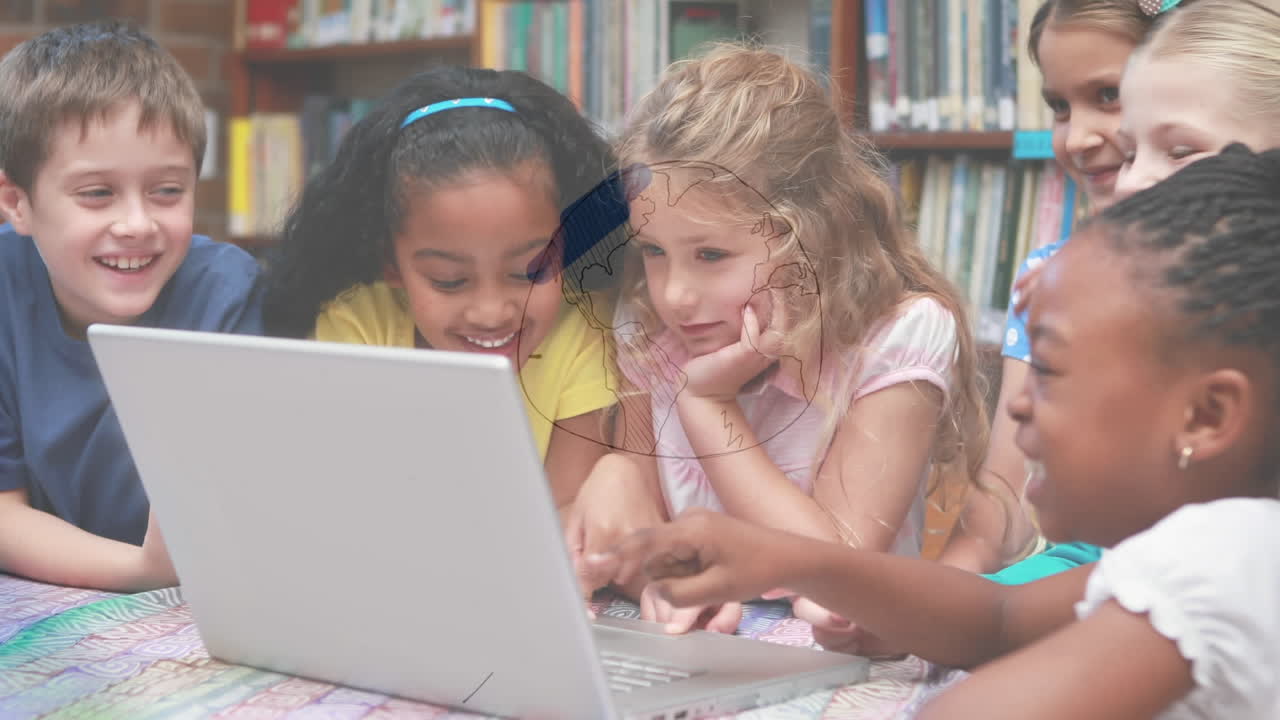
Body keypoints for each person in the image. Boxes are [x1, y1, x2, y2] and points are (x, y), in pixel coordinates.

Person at [592, 143, 1280, 720]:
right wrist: (790, 561)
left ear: (1208, 416)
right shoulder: (1213, 548)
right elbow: (994, 622)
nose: (1015, 406)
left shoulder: (1224, 559)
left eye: (1052, 369)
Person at [573, 43, 987, 634]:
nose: (676, 295)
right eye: (654, 252)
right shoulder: (649, 328)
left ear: (810, 237)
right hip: (712, 649)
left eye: (711, 254)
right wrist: (662, 585)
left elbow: (841, 575)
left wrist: (709, 404)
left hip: (849, 662)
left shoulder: (898, 335)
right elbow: (645, 525)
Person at [260, 66, 631, 517]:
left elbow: (566, 516)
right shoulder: (356, 325)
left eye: (530, 272)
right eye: (449, 280)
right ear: (391, 264)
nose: (492, 311)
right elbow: (341, 502)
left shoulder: (582, 330)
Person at [0, 21, 263, 591]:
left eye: (167, 191)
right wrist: (143, 570)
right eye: (96, 193)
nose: (137, 224)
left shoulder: (228, 295)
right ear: (16, 203)